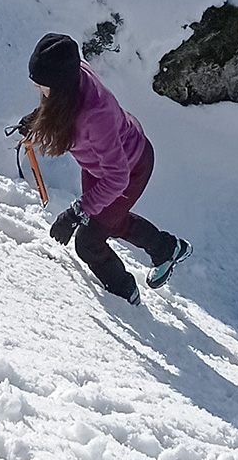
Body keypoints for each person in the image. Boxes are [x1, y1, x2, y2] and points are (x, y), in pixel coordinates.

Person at [21, 34, 188, 307]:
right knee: (109, 221)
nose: (39, 89)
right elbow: (54, 106)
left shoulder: (96, 115)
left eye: (43, 85)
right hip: (99, 167)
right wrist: (34, 121)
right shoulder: (70, 80)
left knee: (88, 241)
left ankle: (125, 297)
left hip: (130, 168)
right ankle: (167, 249)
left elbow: (117, 178)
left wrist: (75, 212)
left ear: (61, 86)